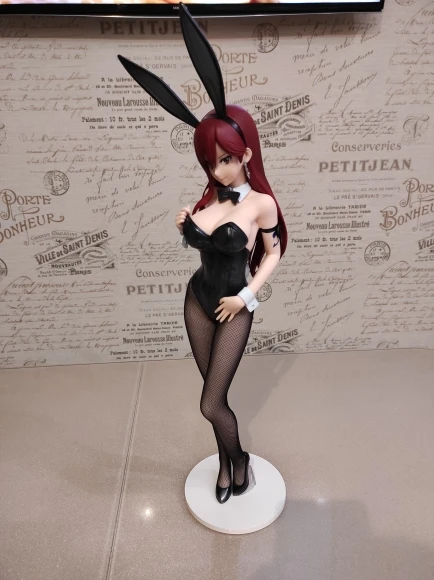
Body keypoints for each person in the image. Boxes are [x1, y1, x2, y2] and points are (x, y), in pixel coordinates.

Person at [118, 3, 287, 504]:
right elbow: (206, 237)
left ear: (247, 154)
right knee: (217, 397)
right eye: (211, 163)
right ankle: (227, 464)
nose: (218, 171)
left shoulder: (260, 204)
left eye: (226, 160)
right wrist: (185, 224)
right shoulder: (208, 199)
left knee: (210, 403)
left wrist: (248, 297)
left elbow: (273, 254)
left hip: (233, 305)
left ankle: (240, 460)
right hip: (197, 300)